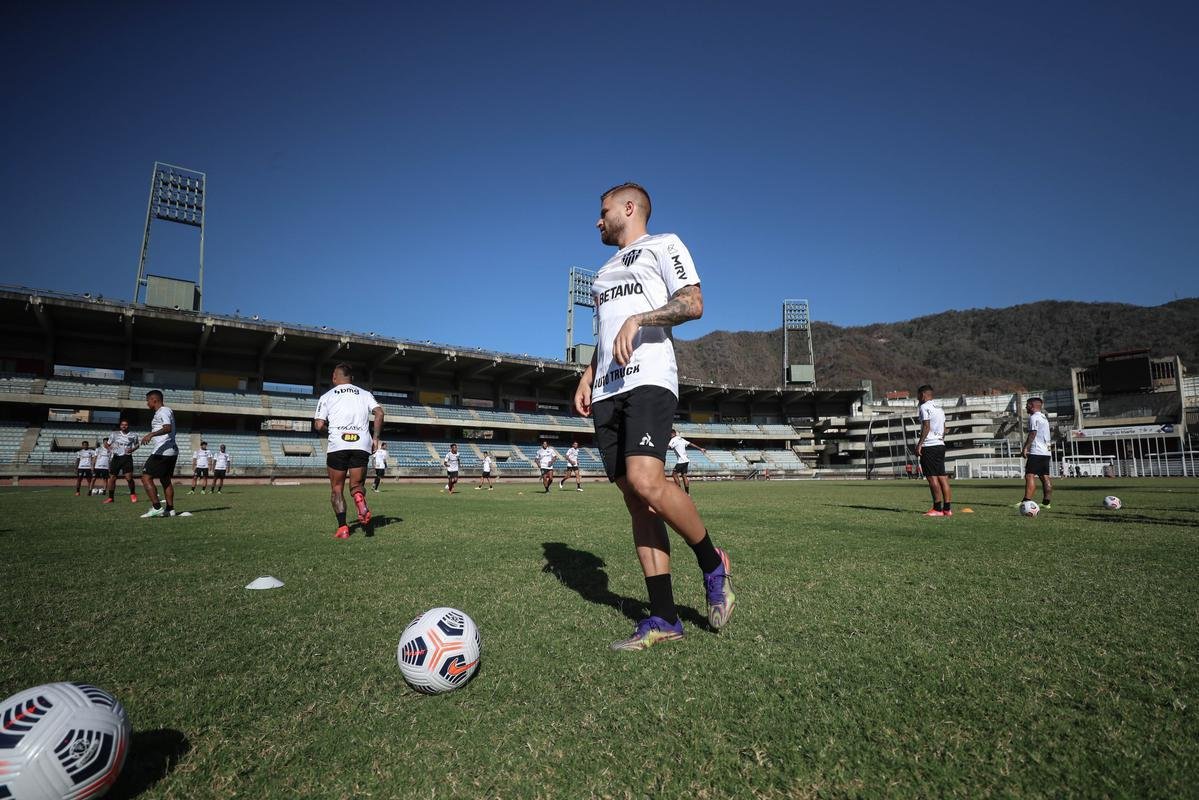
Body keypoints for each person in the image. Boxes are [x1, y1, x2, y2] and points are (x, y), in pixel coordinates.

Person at [573, 181, 734, 651]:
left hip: (648, 378)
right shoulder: (602, 273)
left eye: (604, 211)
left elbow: (693, 302)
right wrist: (586, 375)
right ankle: (664, 616)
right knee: (636, 501)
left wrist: (640, 319)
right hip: (606, 389)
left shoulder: (663, 245)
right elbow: (607, 333)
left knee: (647, 481)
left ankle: (712, 561)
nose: (598, 220)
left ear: (629, 207)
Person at [314, 363, 383, 539]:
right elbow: (379, 413)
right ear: (352, 379)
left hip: (338, 444)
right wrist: (375, 438)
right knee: (356, 486)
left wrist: (331, 429)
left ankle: (343, 528)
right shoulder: (365, 394)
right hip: (361, 444)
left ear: (334, 378)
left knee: (337, 489)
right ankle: (360, 500)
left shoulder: (327, 396)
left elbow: (319, 425)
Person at [139, 390, 180, 518]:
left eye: (148, 400)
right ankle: (170, 509)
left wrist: (151, 434)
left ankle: (156, 507)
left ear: (154, 400)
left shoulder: (163, 410)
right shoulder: (161, 412)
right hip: (169, 450)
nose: (147, 403)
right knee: (165, 480)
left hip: (163, 452)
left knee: (145, 477)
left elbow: (168, 428)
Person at [915, 384, 952, 516]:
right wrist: (940, 439)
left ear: (923, 395)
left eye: (918, 395)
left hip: (929, 445)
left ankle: (937, 508)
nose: (918, 398)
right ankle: (947, 509)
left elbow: (926, 426)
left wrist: (920, 444)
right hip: (940, 445)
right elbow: (944, 428)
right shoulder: (940, 409)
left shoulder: (924, 407)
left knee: (932, 478)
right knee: (942, 477)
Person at [1021, 396, 1053, 510]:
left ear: (1031, 406)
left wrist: (1025, 447)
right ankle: (1046, 502)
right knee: (1044, 476)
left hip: (1037, 451)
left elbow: (1033, 433)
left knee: (1029, 475)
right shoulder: (1044, 418)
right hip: (1046, 451)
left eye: (1027, 405)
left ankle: (1026, 502)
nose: (1025, 407)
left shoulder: (1033, 418)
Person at [103, 419, 139, 504]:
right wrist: (110, 449)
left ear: (128, 426)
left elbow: (137, 444)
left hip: (127, 457)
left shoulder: (133, 435)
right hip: (116, 458)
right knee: (112, 478)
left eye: (126, 425)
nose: (124, 426)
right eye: (122, 424)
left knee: (129, 478)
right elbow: (106, 444)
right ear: (120, 426)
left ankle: (133, 493)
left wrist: (132, 449)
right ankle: (111, 498)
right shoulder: (114, 434)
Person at [667, 429, 707, 494]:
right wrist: (700, 448)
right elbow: (690, 444)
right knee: (684, 475)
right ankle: (687, 493)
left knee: (674, 474)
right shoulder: (681, 439)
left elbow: (668, 447)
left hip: (681, 461)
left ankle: (679, 491)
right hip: (686, 460)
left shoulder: (673, 440)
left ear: (672, 434)